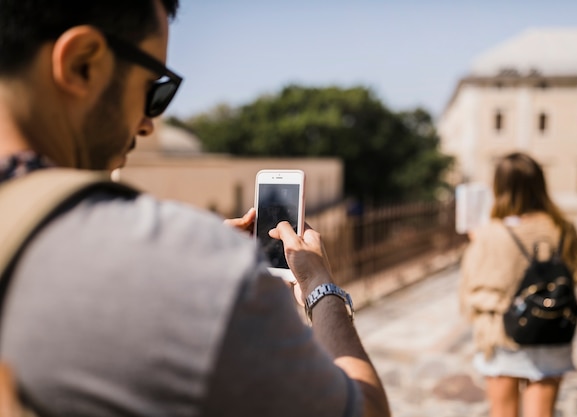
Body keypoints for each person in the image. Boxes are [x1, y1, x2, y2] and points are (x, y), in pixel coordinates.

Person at [0, 1, 390, 416]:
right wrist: (321, 289)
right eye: (156, 90)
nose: (149, 123)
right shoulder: (188, 262)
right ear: (82, 64)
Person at [459, 152, 577, 417]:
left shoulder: (489, 233)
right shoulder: (563, 227)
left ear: (499, 186)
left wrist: (478, 242)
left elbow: (471, 288)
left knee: (503, 412)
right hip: (552, 331)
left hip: (503, 333)